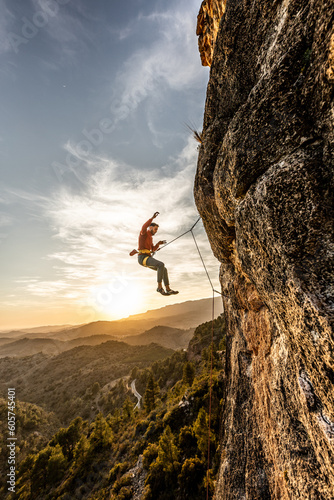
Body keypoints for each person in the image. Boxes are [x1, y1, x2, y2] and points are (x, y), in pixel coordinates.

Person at [137, 212, 179, 296]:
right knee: (161, 264)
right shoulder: (144, 233)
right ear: (150, 228)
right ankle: (159, 287)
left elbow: (152, 249)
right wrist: (152, 218)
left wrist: (158, 244)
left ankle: (168, 289)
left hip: (146, 258)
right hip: (142, 258)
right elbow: (143, 227)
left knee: (164, 269)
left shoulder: (151, 238)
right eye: (155, 229)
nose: (156, 231)